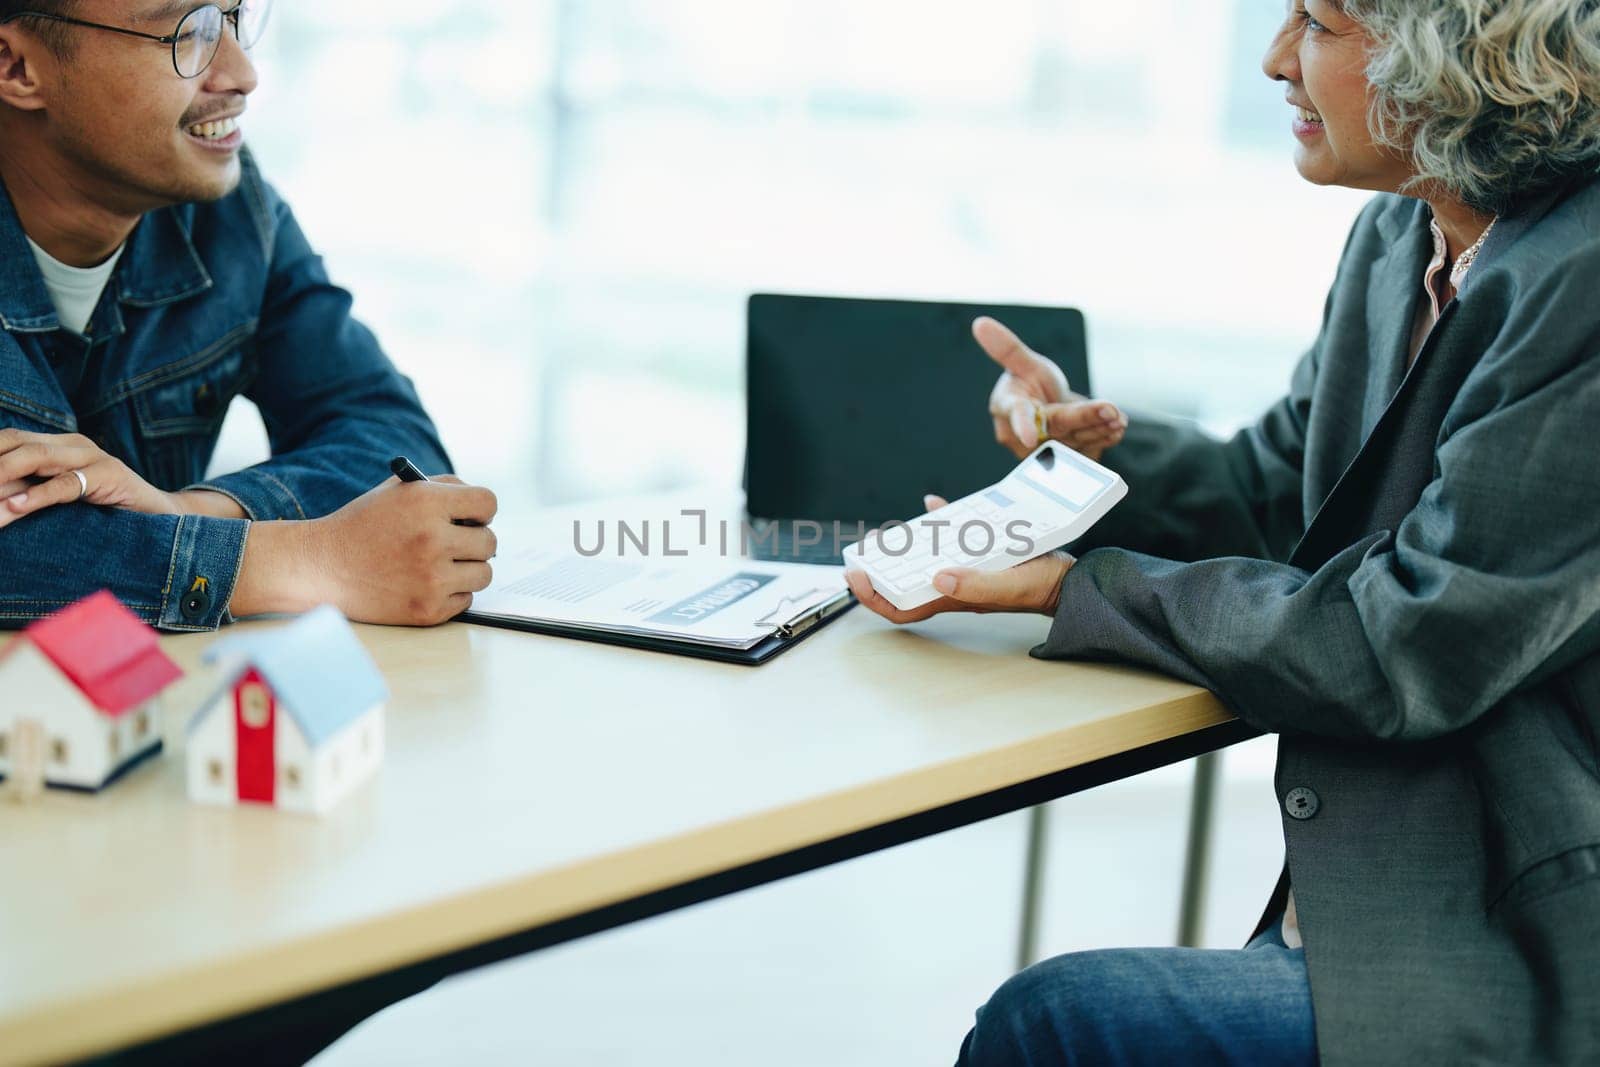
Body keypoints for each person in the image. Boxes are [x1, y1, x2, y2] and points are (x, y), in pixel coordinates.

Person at [847, 0, 1600, 1062]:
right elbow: (1281, 493)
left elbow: (1407, 640)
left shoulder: (1583, 276)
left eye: (1321, 24)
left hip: (1515, 930)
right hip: (1391, 877)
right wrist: (1088, 456)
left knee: (1054, 1024)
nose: (1274, 59)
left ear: (1464, 57)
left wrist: (1074, 589)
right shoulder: (1403, 236)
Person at [0, 0, 497, 633]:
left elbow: (389, 433)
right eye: (187, 31)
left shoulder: (230, 212)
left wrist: (190, 512)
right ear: (15, 65)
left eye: (234, 18)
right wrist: (301, 562)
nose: (242, 72)